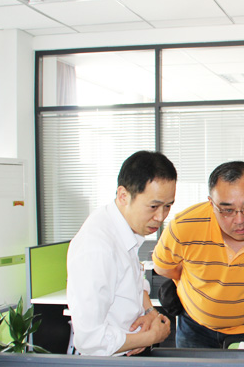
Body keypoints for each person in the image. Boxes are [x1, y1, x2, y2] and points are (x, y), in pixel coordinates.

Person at [152, 161, 244, 348]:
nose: (240, 220)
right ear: (211, 203)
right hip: (195, 328)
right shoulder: (184, 226)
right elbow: (164, 268)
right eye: (227, 210)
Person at [66, 151, 175, 356]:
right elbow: (90, 340)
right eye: (153, 206)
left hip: (130, 348)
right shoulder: (97, 247)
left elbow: (134, 282)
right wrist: (151, 337)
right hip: (112, 359)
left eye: (168, 206)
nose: (161, 217)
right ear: (123, 196)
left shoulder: (124, 228)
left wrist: (150, 312)